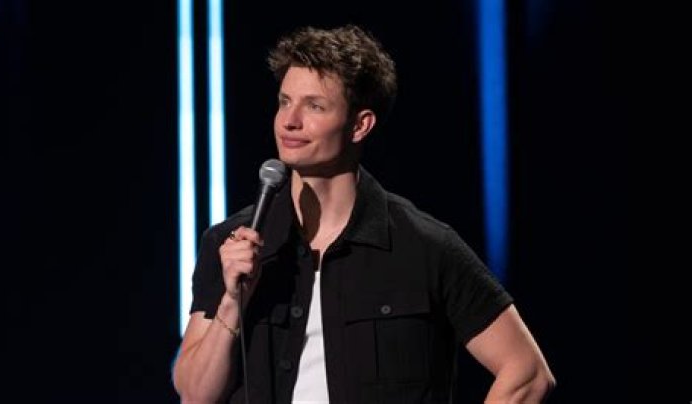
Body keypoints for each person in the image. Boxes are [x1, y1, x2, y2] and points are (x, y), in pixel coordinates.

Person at [172, 24, 555, 403]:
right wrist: (231, 302)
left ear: (360, 125)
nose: (289, 120)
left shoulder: (423, 246)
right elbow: (195, 394)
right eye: (285, 101)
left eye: (314, 106)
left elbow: (527, 373)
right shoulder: (233, 242)